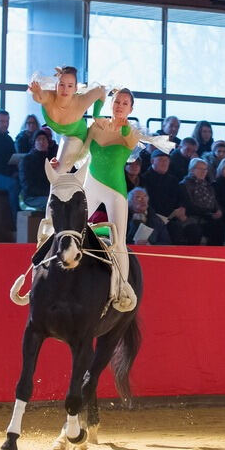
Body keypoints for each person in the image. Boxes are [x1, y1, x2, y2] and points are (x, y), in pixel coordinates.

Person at [80, 88, 148, 308]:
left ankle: (121, 289)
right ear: (112, 102)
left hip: (115, 190)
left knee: (119, 240)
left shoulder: (132, 132)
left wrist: (118, 122)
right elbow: (81, 154)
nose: (119, 105)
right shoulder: (96, 126)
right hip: (90, 184)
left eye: (125, 103)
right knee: (72, 229)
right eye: (117, 101)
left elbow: (128, 139)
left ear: (130, 108)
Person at [178, 157, 223, 245]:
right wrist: (209, 214)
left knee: (220, 227)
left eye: (205, 169)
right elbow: (189, 206)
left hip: (208, 216)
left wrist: (218, 210)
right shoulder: (184, 185)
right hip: (193, 217)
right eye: (200, 169)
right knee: (195, 231)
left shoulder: (208, 185)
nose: (203, 172)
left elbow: (214, 201)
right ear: (191, 170)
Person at [18, 130, 53, 209]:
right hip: (31, 197)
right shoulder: (26, 160)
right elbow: (27, 186)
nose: (41, 142)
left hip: (49, 194)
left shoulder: (51, 160)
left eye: (44, 139)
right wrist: (48, 192)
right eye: (38, 139)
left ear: (48, 143)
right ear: (34, 143)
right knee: (53, 203)